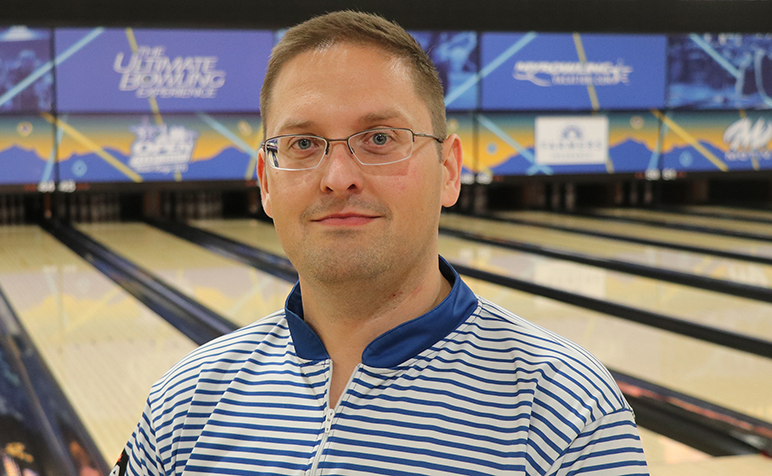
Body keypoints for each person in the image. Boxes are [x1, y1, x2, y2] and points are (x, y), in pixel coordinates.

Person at [113, 11, 648, 475]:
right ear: (266, 183)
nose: (338, 176)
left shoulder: (567, 415)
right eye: (303, 144)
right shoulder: (184, 403)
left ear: (449, 170)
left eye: (379, 139)